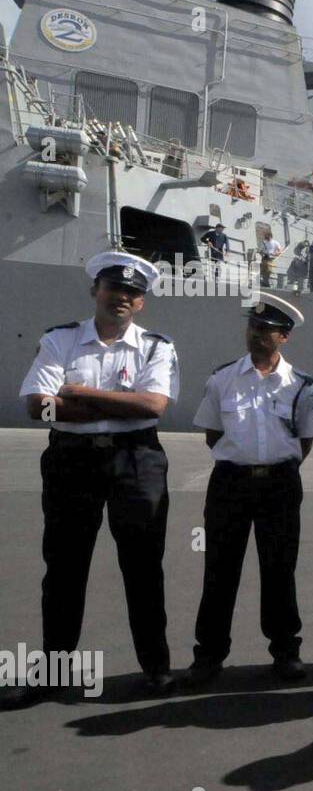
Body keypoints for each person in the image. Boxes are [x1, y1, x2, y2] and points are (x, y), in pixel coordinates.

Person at [9, 252, 180, 708]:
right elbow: (37, 407)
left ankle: (156, 669)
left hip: (136, 461)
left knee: (143, 567)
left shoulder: (157, 346)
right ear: (95, 291)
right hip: (72, 461)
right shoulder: (59, 340)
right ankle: (53, 675)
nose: (122, 297)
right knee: (64, 568)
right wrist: (122, 401)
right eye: (114, 288)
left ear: (141, 302)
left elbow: (153, 408)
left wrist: (81, 393)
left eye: (132, 293)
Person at [187, 297, 313, 687]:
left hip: (279, 485)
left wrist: (274, 467)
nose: (258, 335)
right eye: (253, 327)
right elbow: (213, 435)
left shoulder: (301, 385)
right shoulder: (222, 379)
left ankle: (285, 651)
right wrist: (243, 461)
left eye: (267, 330)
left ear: (285, 337)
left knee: (279, 570)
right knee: (219, 570)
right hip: (230, 484)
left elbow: (305, 440)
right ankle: (209, 655)